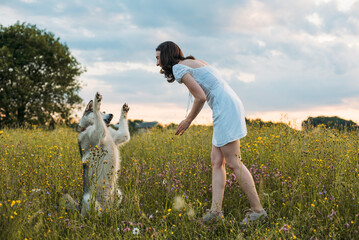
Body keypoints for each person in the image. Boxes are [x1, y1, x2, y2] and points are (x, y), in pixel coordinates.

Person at [155, 41, 267, 224]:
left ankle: (257, 211)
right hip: (228, 103)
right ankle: (215, 213)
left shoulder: (178, 68)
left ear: (167, 56)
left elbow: (200, 96)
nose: (157, 63)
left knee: (233, 162)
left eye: (158, 58)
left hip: (225, 107)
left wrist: (188, 120)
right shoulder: (194, 62)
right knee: (217, 161)